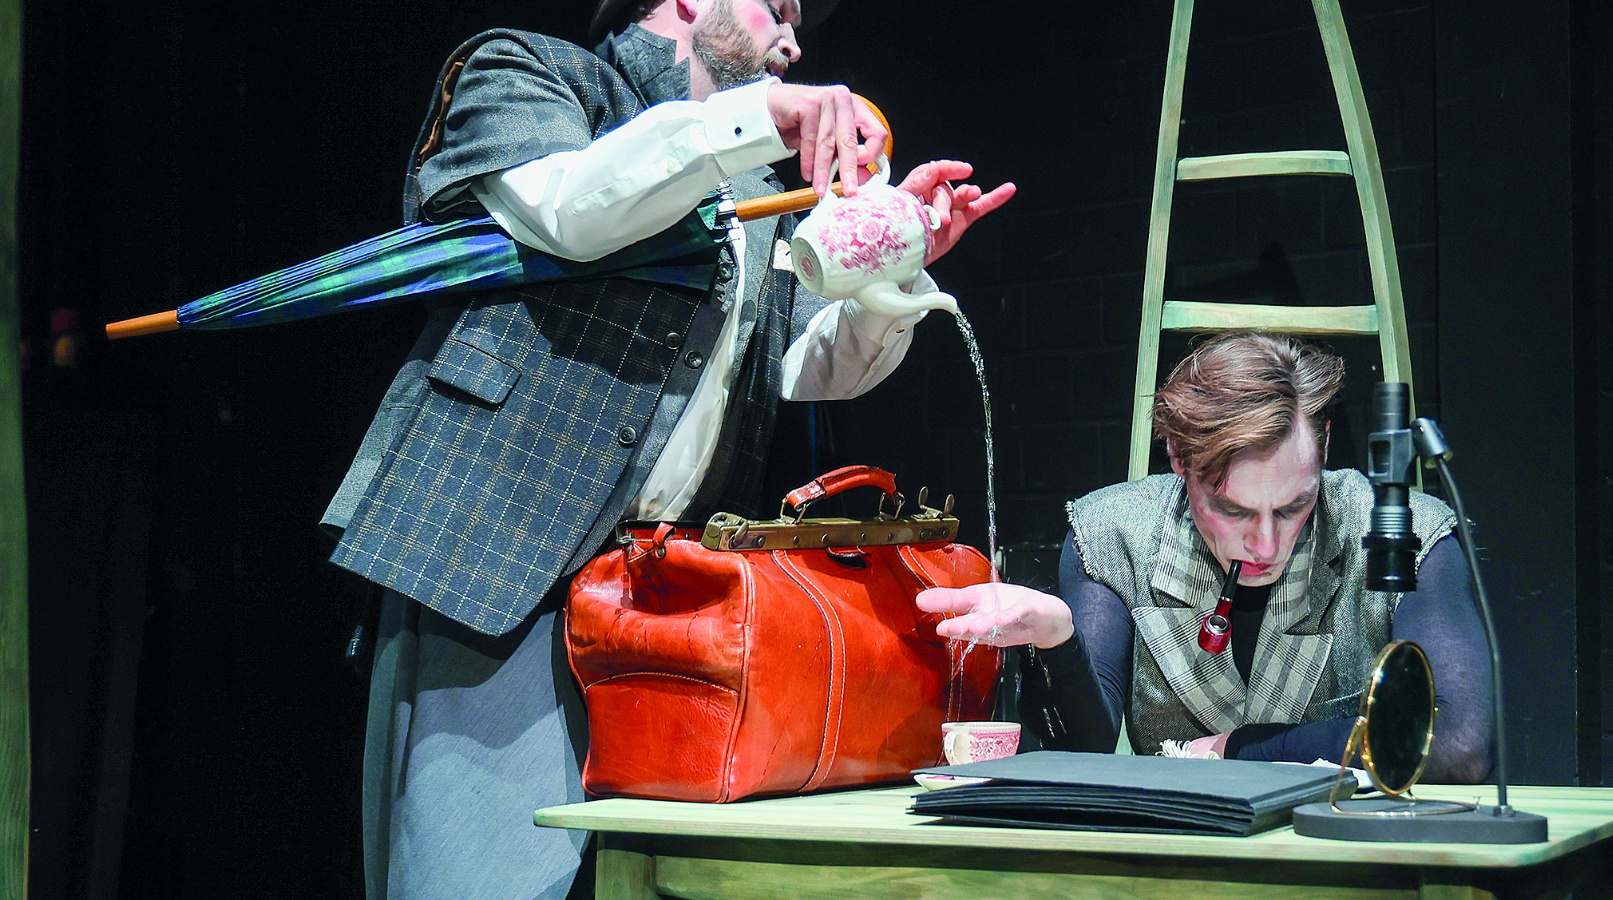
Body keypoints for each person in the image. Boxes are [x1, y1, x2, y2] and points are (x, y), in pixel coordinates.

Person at [321, 1, 1014, 897]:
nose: (793, 41)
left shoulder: (750, 177)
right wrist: (755, 119)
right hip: (507, 549)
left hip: (660, 586)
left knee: (646, 876)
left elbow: (803, 363)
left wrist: (897, 260)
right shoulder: (534, 73)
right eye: (778, 7)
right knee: (482, 873)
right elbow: (569, 207)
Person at [918, 330, 1491, 781]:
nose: (1266, 544)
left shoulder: (1401, 532)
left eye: (1294, 506)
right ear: (1178, 458)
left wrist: (1240, 748)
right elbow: (1082, 753)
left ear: (1322, 451)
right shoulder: (1114, 533)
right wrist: (1058, 642)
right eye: (1234, 510)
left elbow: (1460, 744)